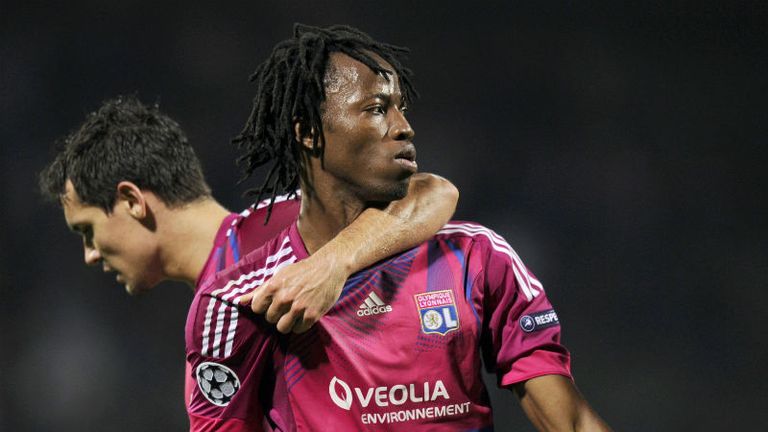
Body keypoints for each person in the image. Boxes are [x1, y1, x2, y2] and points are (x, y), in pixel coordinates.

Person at [188, 24, 612, 431]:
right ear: (309, 131)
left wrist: (334, 263)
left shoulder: (476, 258)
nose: (404, 126)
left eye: (400, 108)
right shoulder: (244, 300)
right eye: (376, 109)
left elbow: (572, 422)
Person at [38, 95, 459, 414]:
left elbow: (430, 191)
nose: (90, 255)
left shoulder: (277, 230)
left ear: (131, 200)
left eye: (88, 230)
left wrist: (333, 262)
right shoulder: (209, 317)